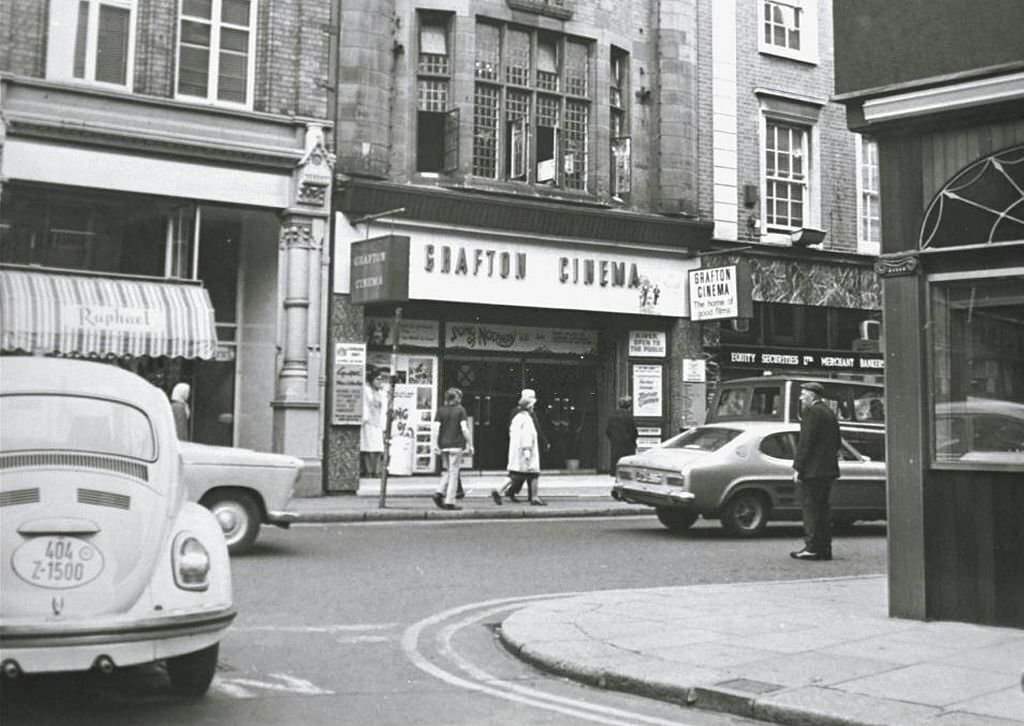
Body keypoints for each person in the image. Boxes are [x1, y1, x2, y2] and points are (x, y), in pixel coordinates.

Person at [791, 381, 841, 561]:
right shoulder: (828, 412)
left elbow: (805, 443)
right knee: (823, 511)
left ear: (812, 396)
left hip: (812, 471)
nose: (801, 397)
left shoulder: (811, 412)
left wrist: (798, 467)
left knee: (811, 511)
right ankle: (824, 548)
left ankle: (812, 548)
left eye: (803, 394)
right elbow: (837, 442)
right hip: (827, 470)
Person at [492, 389, 546, 506]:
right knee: (534, 474)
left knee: (515, 475)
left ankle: (499, 490)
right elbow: (527, 436)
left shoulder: (516, 418)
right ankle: (535, 497)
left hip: (516, 452)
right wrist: (527, 451)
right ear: (529, 406)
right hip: (526, 452)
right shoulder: (527, 419)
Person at [431, 388, 473, 511]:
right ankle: (450, 501)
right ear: (456, 398)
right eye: (459, 397)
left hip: (443, 445)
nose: (460, 400)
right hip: (456, 445)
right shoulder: (460, 410)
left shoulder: (440, 411)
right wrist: (470, 444)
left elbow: (436, 429)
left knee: (447, 471)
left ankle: (439, 492)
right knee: (454, 473)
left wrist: (435, 444)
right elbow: (464, 429)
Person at [361, 367, 389, 477]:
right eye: (377, 379)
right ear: (371, 380)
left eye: (381, 380)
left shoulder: (382, 392)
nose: (380, 382)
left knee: (379, 448)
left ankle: (377, 471)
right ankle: (368, 471)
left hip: (378, 423)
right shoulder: (366, 391)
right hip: (368, 422)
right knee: (368, 449)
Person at [605, 396, 638, 477]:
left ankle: (614, 472)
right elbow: (633, 431)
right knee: (627, 460)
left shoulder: (612, 416)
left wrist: (613, 439)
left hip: (616, 442)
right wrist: (633, 440)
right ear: (629, 406)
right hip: (628, 443)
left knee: (616, 458)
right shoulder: (629, 416)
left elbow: (608, 431)